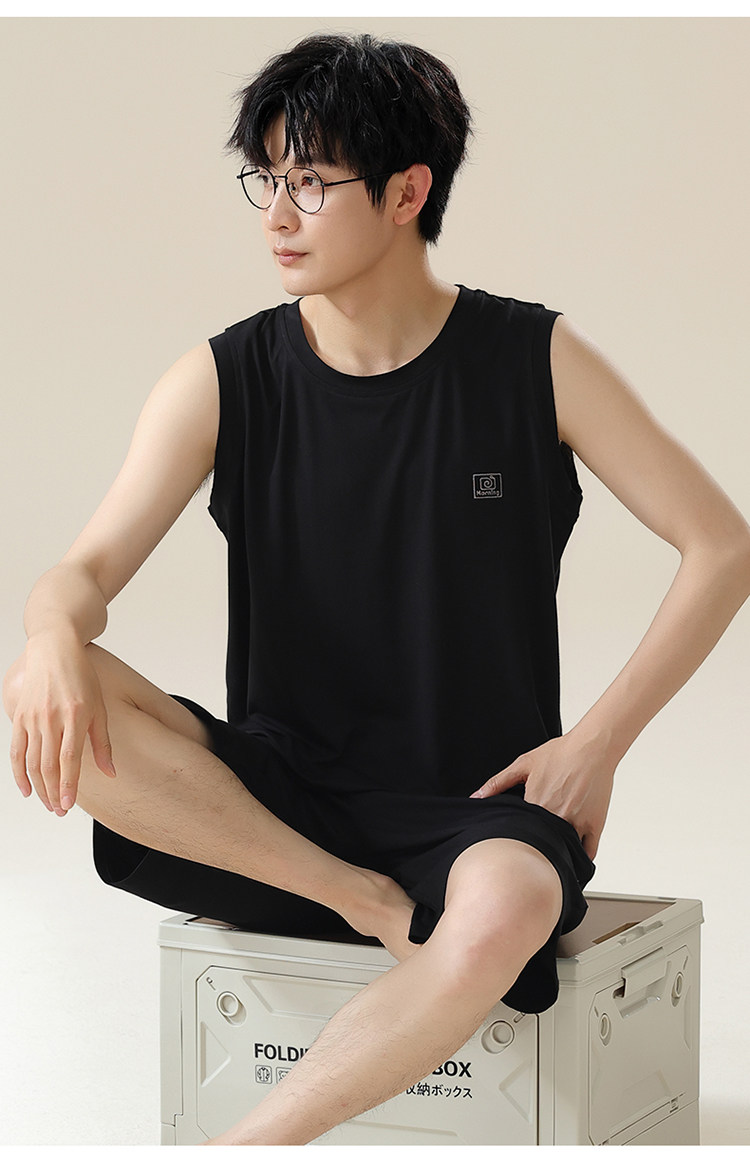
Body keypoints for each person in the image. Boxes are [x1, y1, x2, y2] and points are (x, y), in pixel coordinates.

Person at [3, 31, 750, 1147]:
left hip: (478, 808)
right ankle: (363, 904)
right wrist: (52, 633)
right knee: (48, 677)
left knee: (507, 904)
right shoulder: (224, 376)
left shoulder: (532, 358)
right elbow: (86, 571)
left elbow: (722, 546)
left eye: (311, 181)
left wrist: (596, 744)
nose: (277, 215)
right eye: (266, 178)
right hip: (273, 808)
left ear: (408, 192)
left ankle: (250, 1145)